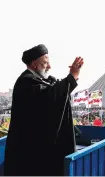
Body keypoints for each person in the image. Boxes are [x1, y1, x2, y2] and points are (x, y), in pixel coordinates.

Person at [4, 44, 84, 176]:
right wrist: (72, 77)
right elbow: (50, 97)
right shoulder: (26, 82)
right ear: (35, 64)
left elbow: (53, 92)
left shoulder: (37, 81)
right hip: (28, 152)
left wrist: (69, 80)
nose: (49, 66)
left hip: (35, 149)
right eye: (45, 63)